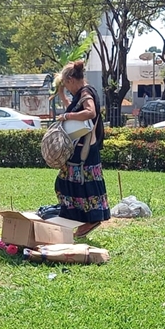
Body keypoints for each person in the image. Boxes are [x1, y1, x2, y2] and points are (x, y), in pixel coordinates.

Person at [53, 60, 110, 237]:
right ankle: (83, 220)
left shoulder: (85, 92)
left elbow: (90, 112)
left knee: (74, 184)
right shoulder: (85, 91)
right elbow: (75, 109)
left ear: (71, 80)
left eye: (67, 85)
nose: (68, 88)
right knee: (71, 184)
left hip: (84, 148)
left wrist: (66, 115)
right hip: (82, 148)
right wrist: (62, 96)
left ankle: (90, 220)